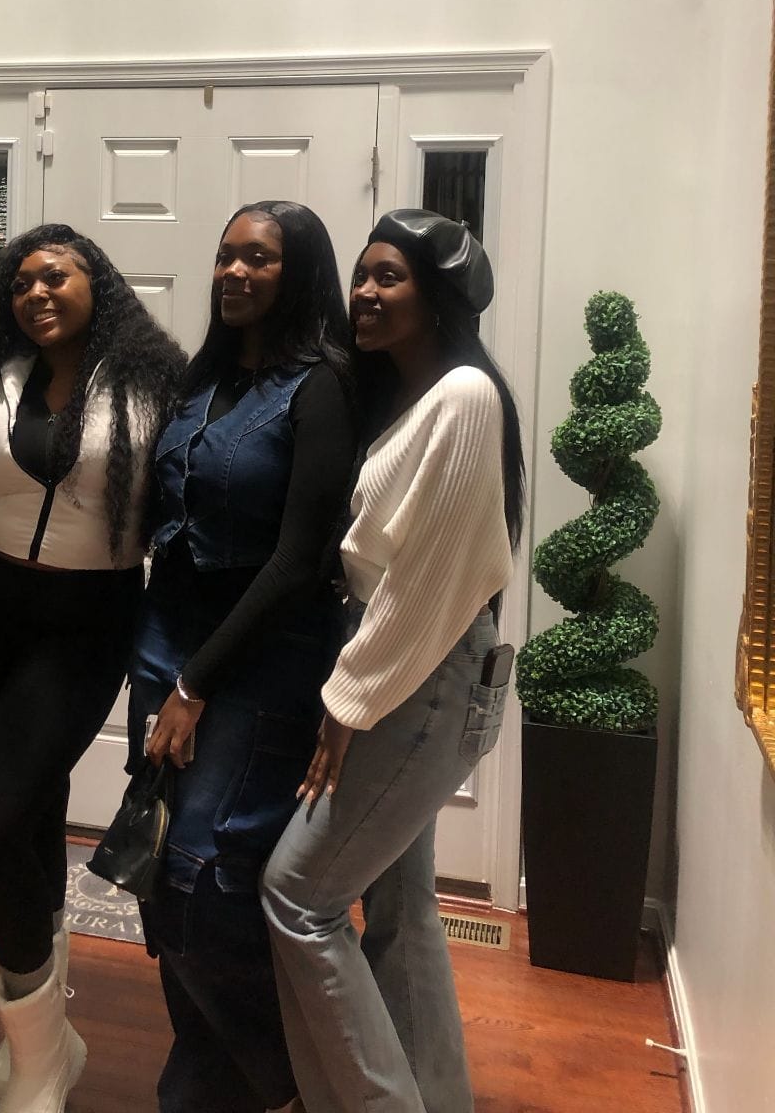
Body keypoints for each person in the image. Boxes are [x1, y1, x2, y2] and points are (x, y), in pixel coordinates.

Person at [260, 208, 526, 1113]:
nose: (365, 293)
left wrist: (348, 701)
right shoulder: (413, 397)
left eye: (390, 277)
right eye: (362, 275)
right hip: (407, 667)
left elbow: (429, 582)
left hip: (420, 673)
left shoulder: (466, 396)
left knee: (296, 896)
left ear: (438, 296)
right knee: (403, 905)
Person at [133, 200, 356, 1113]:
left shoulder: (322, 387)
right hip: (167, 647)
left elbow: (299, 561)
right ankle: (201, 1078)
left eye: (258, 258)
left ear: (298, 272)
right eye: (226, 255)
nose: (233, 272)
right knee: (154, 866)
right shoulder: (205, 378)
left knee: (206, 882)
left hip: (260, 662)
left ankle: (283, 1085)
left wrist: (196, 682)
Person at [0, 223, 185, 1113]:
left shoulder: (152, 382)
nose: (36, 293)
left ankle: (42, 1054)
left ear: (100, 284)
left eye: (55, 276)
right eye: (20, 283)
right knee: (30, 813)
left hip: (85, 625)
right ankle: (48, 1038)